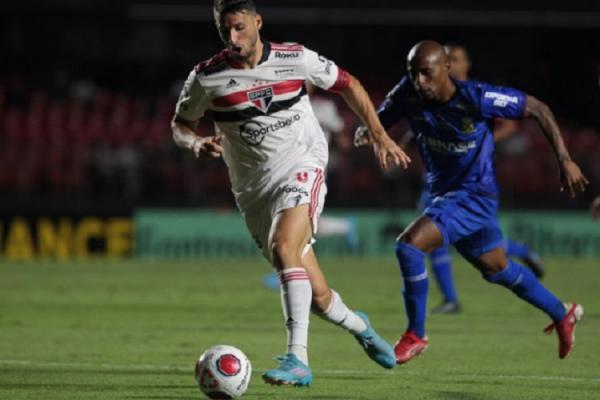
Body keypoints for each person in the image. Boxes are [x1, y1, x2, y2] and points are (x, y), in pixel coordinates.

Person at [171, 0, 410, 387]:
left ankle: (297, 359)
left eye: (240, 28)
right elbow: (180, 125)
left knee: (285, 246)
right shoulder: (206, 78)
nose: (233, 38)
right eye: (225, 31)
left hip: (303, 163)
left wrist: (380, 134)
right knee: (315, 295)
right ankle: (360, 326)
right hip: (252, 189)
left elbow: (349, 85)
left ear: (257, 22)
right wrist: (194, 143)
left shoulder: (295, 58)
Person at [356, 40, 588, 365]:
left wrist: (565, 160)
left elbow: (538, 108)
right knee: (498, 269)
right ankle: (563, 312)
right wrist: (369, 133)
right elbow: (379, 121)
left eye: (426, 73)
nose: (419, 81)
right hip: (445, 194)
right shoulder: (408, 92)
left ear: (446, 69)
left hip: (473, 195)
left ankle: (416, 334)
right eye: (413, 73)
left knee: (408, 247)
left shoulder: (477, 97)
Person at [417, 44, 545, 314]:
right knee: (437, 238)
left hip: (475, 183)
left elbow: (511, 124)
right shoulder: (431, 94)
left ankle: (521, 251)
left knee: (483, 245)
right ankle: (451, 298)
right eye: (447, 58)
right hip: (439, 181)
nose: (450, 62)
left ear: (465, 65)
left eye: (456, 58)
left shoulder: (477, 95)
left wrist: (478, 144)